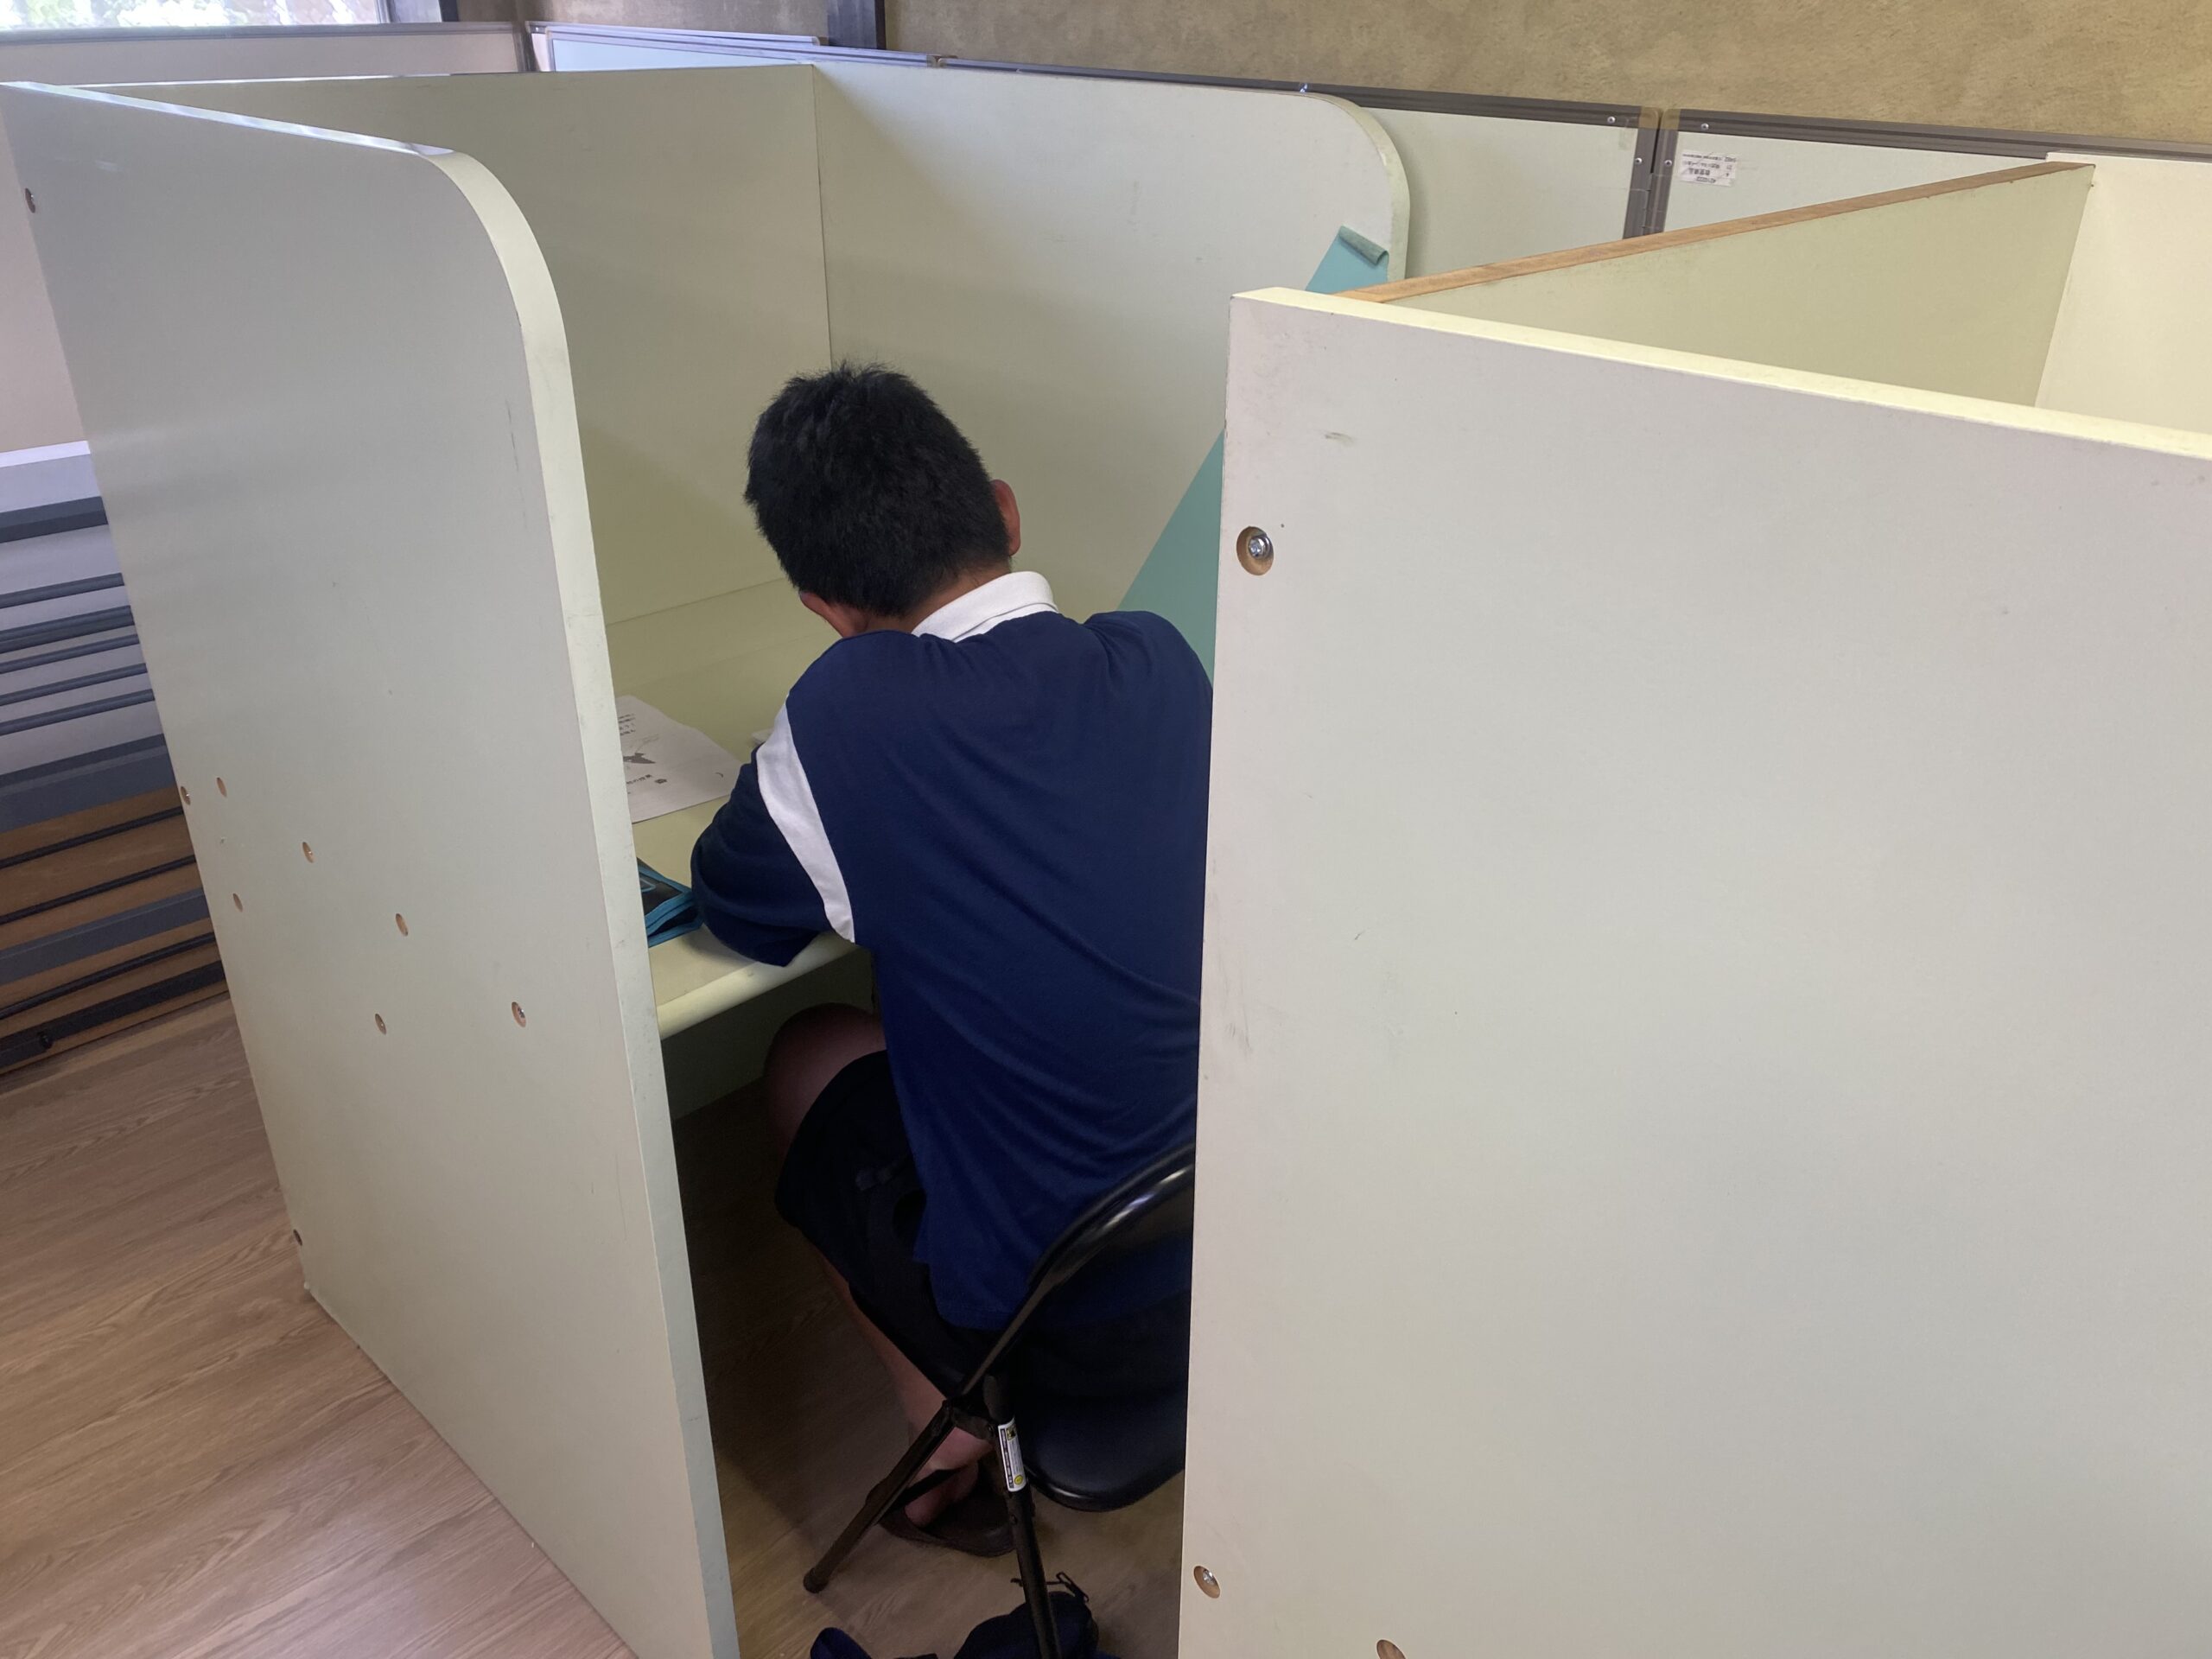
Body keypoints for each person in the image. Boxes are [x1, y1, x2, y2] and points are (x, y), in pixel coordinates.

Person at [690, 365, 1208, 1554]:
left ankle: (941, 1413)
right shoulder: (1161, 661)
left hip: (1063, 1327)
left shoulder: (849, 716)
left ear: (824, 608)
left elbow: (740, 906)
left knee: (808, 1049)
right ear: (1008, 513)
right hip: (1242, 1249)